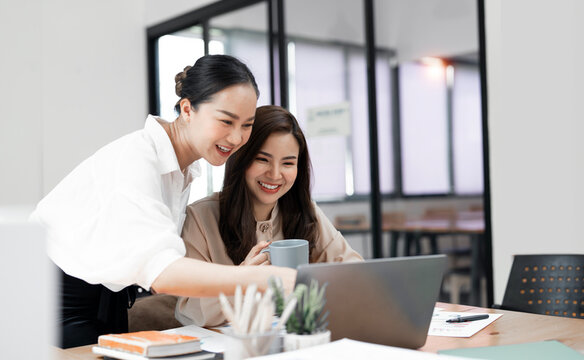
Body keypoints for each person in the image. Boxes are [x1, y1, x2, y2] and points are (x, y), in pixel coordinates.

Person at [30, 55, 296, 348]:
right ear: (187, 109)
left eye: (247, 125)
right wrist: (259, 278)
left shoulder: (181, 170)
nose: (236, 137)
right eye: (226, 121)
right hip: (49, 302)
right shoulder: (136, 159)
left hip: (109, 300)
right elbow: (162, 272)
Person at [175, 105, 363, 327]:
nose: (275, 174)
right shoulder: (200, 217)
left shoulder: (306, 211)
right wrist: (241, 280)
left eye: (288, 163)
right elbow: (190, 311)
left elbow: (356, 274)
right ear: (242, 159)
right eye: (263, 159)